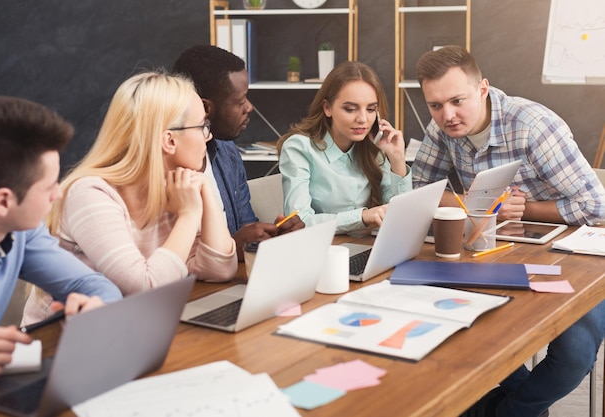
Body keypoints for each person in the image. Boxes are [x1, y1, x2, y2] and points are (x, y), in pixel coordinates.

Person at [412, 45, 605, 417]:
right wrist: (476, 201)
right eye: (435, 105)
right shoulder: (443, 129)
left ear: (483, 89)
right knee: (480, 336)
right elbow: (421, 191)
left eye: (457, 100)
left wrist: (526, 208)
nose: (447, 115)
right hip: (498, 253)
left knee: (573, 357)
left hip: (572, 257)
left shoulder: (532, 125)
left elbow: (596, 207)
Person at [22, 71, 237, 325]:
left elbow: (220, 270)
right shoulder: (90, 194)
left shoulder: (176, 187)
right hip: (59, 341)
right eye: (202, 126)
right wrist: (189, 215)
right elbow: (145, 286)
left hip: (130, 326)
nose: (208, 136)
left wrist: (205, 190)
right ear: (169, 140)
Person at [0, 95, 123, 384]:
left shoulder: (22, 233)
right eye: (48, 187)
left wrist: (95, 308)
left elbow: (94, 286)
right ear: (4, 201)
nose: (58, 194)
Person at [172, 45, 304, 260]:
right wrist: (232, 246)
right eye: (240, 101)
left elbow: (246, 226)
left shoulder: (227, 153)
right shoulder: (164, 166)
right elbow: (166, 264)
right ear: (205, 108)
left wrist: (273, 236)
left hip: (233, 279)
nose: (249, 107)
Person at [277, 61, 412, 234]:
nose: (363, 119)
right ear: (327, 108)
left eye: (371, 109)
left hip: (363, 247)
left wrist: (397, 159)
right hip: (320, 251)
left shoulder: (373, 147)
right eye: (350, 109)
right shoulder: (299, 148)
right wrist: (362, 217)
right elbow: (299, 221)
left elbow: (401, 215)